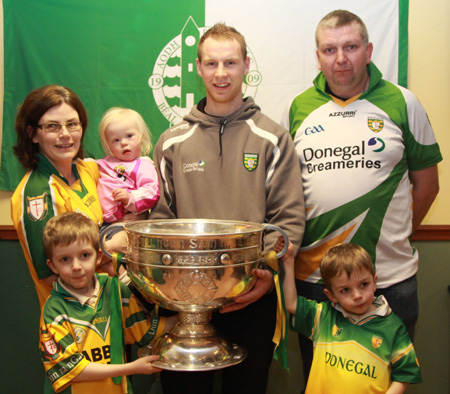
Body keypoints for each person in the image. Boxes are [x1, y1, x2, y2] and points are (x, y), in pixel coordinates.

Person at [282, 9, 442, 386]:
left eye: (351, 47)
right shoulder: (299, 107)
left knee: (390, 382)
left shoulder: (403, 102)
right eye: (330, 49)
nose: (340, 59)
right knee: (323, 382)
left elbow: (428, 185)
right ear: (318, 55)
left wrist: (398, 235)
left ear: (368, 50)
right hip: (316, 281)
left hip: (389, 278)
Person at [149, 23, 305, 394]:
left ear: (246, 65)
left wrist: (265, 275)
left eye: (230, 63)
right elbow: (160, 218)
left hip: (251, 296)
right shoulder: (172, 142)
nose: (221, 74)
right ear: (198, 68)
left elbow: (288, 219)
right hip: (184, 302)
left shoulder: (272, 137)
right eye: (212, 64)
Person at [39, 212, 175, 394]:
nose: (76, 266)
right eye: (65, 259)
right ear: (52, 266)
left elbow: (144, 331)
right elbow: (73, 371)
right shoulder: (54, 310)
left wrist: (188, 317)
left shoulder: (115, 290)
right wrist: (131, 368)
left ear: (98, 257)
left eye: (84, 255)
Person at [276, 238, 422, 394]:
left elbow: (405, 374)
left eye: (363, 284)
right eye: (346, 290)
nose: (357, 295)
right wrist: (288, 260)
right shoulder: (323, 316)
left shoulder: (393, 327)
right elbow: (291, 303)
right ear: (331, 295)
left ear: (374, 282)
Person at [11, 85, 104, 308]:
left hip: (105, 307)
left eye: (72, 124)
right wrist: (111, 246)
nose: (65, 134)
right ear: (33, 134)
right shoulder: (37, 194)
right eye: (52, 126)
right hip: (73, 320)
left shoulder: (86, 170)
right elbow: (50, 275)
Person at [97, 107, 160, 224]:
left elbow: (152, 191)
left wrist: (130, 197)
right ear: (108, 146)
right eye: (116, 140)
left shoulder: (144, 165)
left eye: (129, 136)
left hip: (125, 220)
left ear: (142, 137)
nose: (124, 143)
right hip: (101, 222)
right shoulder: (106, 162)